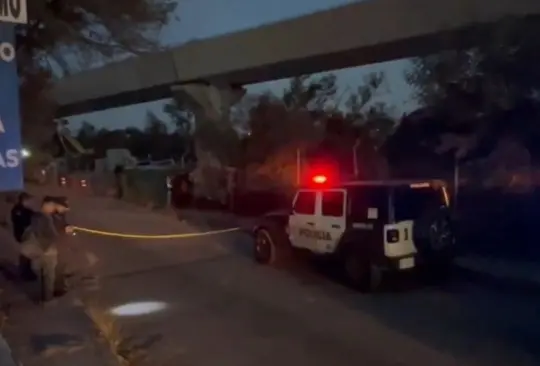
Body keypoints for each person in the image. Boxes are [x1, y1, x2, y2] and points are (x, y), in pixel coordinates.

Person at [23, 196, 70, 302]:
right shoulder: (44, 217)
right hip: (46, 251)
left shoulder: (36, 216)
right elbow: (50, 235)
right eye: (52, 206)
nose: (53, 208)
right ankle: (47, 300)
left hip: (39, 251)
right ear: (47, 204)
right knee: (49, 277)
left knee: (43, 276)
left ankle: (43, 297)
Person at [10, 193, 36, 280]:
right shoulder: (17, 210)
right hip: (22, 235)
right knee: (25, 254)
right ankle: (24, 273)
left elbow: (33, 215)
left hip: (26, 235)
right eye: (28, 200)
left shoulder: (25, 210)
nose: (30, 202)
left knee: (28, 253)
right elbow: (20, 222)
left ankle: (28, 271)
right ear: (23, 200)